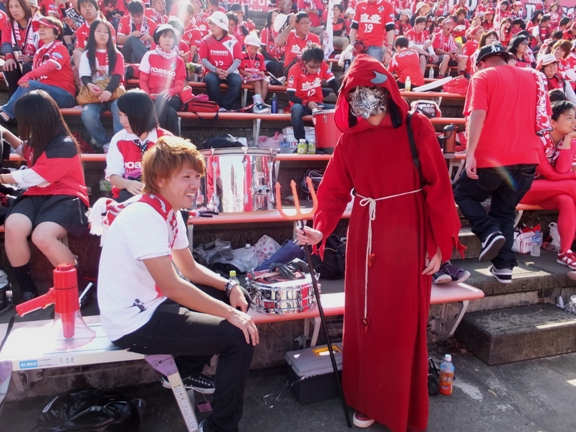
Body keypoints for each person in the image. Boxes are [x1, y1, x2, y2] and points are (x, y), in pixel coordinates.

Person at [296, 54, 462, 431]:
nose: (364, 101)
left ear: (387, 91)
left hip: (409, 232)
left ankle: (399, 405)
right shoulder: (350, 140)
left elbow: (439, 187)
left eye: (370, 92)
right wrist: (321, 229)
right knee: (364, 320)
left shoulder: (416, 127)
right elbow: (333, 191)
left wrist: (438, 244)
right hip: (364, 236)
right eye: (355, 95)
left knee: (401, 321)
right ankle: (367, 399)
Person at [97, 135, 258, 432]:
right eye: (186, 177)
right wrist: (230, 315)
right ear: (160, 179)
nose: (195, 184)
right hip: (132, 323)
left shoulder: (168, 212)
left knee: (231, 297)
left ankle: (184, 369)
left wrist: (230, 287)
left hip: (153, 305)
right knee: (238, 337)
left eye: (197, 176)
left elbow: (189, 268)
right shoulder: (143, 216)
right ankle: (220, 428)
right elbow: (173, 285)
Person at [454, 43, 548, 284]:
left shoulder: (483, 75)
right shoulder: (533, 77)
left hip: (492, 157)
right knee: (505, 211)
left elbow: (477, 113)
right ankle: (504, 267)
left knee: (462, 194)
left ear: (481, 62)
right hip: (527, 157)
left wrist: (470, 153)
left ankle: (488, 232)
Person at [1, 90, 89, 301]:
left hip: (66, 195)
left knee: (43, 237)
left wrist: (2, 178)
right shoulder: (40, 139)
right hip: (36, 195)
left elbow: (36, 176)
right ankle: (26, 287)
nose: (20, 122)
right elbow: (26, 150)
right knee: (13, 227)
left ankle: (79, 287)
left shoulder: (64, 144)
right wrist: (4, 133)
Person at [519, 100, 576, 269]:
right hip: (521, 187)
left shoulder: (568, 140)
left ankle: (564, 252)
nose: (574, 121)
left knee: (566, 200)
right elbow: (551, 174)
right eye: (569, 118)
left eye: (575, 117)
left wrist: (569, 140)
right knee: (572, 186)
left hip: (546, 190)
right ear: (553, 122)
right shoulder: (539, 138)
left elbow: (562, 169)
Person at [0, 16, 76, 122]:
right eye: (40, 27)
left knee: (30, 84)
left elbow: (49, 66)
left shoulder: (60, 48)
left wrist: (28, 76)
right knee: (29, 94)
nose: (41, 30)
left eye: (46, 27)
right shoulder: (39, 51)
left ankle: (6, 113)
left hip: (64, 95)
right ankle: (14, 121)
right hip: (44, 93)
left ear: (57, 32)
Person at [105, 90, 171, 201]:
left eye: (126, 115)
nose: (122, 121)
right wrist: (128, 184)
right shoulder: (118, 139)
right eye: (120, 115)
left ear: (142, 114)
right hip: (128, 197)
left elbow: (174, 176)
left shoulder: (166, 139)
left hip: (160, 196)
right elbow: (114, 176)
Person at [79, 19, 125, 152]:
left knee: (120, 108)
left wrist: (108, 91)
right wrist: (91, 86)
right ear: (92, 33)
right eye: (98, 31)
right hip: (94, 95)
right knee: (87, 114)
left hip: (113, 93)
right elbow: (85, 77)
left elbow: (117, 76)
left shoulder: (117, 54)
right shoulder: (86, 54)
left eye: (106, 32)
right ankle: (105, 143)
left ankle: (119, 142)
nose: (102, 34)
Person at [139, 24, 186, 135]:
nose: (168, 40)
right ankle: (173, 142)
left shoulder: (179, 61)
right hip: (151, 97)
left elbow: (180, 85)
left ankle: (154, 135)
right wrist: (148, 96)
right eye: (164, 36)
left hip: (172, 97)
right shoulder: (149, 55)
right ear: (158, 39)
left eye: (171, 37)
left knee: (162, 99)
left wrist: (170, 91)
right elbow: (142, 80)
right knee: (171, 113)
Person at [287, 45, 339, 143]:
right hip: (300, 103)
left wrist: (343, 101)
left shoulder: (323, 65)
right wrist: (307, 103)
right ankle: (302, 142)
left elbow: (334, 84)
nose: (314, 70)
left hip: (317, 103)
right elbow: (290, 96)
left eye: (317, 67)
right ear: (304, 61)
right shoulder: (294, 69)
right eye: (311, 66)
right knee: (296, 111)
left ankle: (331, 142)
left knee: (338, 110)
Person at [199, 11, 242, 111]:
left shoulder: (233, 41)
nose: (211, 26)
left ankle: (225, 107)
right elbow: (203, 59)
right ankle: (218, 106)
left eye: (214, 24)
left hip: (230, 71)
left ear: (222, 26)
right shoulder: (206, 40)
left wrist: (228, 71)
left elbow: (238, 60)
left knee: (236, 81)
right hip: (212, 72)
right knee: (210, 80)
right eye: (210, 23)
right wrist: (215, 70)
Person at [1, 0, 39, 97]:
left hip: (37, 60)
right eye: (11, 7)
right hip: (18, 58)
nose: (14, 10)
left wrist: (32, 58)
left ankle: (30, 98)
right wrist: (9, 57)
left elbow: (45, 46)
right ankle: (14, 99)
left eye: (17, 6)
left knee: (28, 66)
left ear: (27, 6)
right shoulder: (8, 23)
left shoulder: (39, 22)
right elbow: (6, 43)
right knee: (9, 66)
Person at [239, 34, 269, 113]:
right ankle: (259, 104)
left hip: (256, 77)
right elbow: (240, 70)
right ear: (247, 47)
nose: (253, 51)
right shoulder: (242, 55)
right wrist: (247, 74)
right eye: (251, 49)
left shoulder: (260, 56)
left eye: (255, 49)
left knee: (266, 82)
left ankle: (262, 103)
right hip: (245, 77)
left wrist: (261, 73)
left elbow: (262, 69)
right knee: (257, 83)